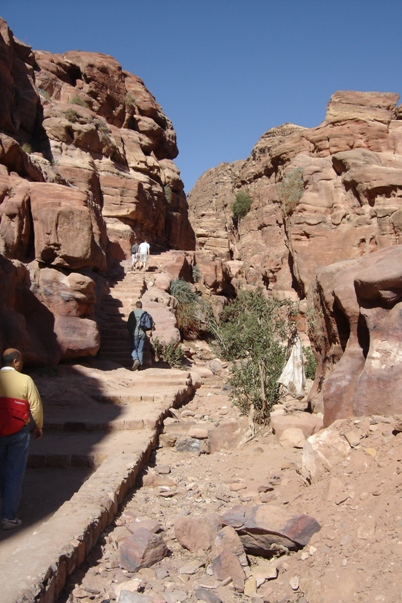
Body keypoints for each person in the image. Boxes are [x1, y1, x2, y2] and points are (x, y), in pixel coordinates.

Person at [0, 348, 43, 530]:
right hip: (18, 431)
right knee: (14, 474)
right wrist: (39, 426)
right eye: (21, 361)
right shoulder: (25, 380)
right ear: (16, 361)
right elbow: (36, 406)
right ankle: (8, 517)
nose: (22, 363)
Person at [127, 301, 154, 371]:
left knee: (133, 348)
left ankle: (136, 359)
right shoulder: (144, 313)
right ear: (141, 306)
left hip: (134, 333)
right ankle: (140, 365)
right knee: (140, 349)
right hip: (143, 333)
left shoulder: (133, 313)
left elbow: (129, 324)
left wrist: (129, 331)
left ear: (136, 306)